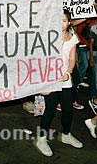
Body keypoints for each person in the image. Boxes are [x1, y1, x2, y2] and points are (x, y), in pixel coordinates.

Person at [35, 9, 83, 156]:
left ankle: (66, 135)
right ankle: (41, 138)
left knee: (68, 109)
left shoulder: (73, 37)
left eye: (63, 20)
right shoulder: (47, 36)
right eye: (58, 20)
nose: (61, 23)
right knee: (50, 109)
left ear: (69, 22)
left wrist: (68, 72)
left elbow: (73, 59)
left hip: (65, 79)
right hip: (51, 79)